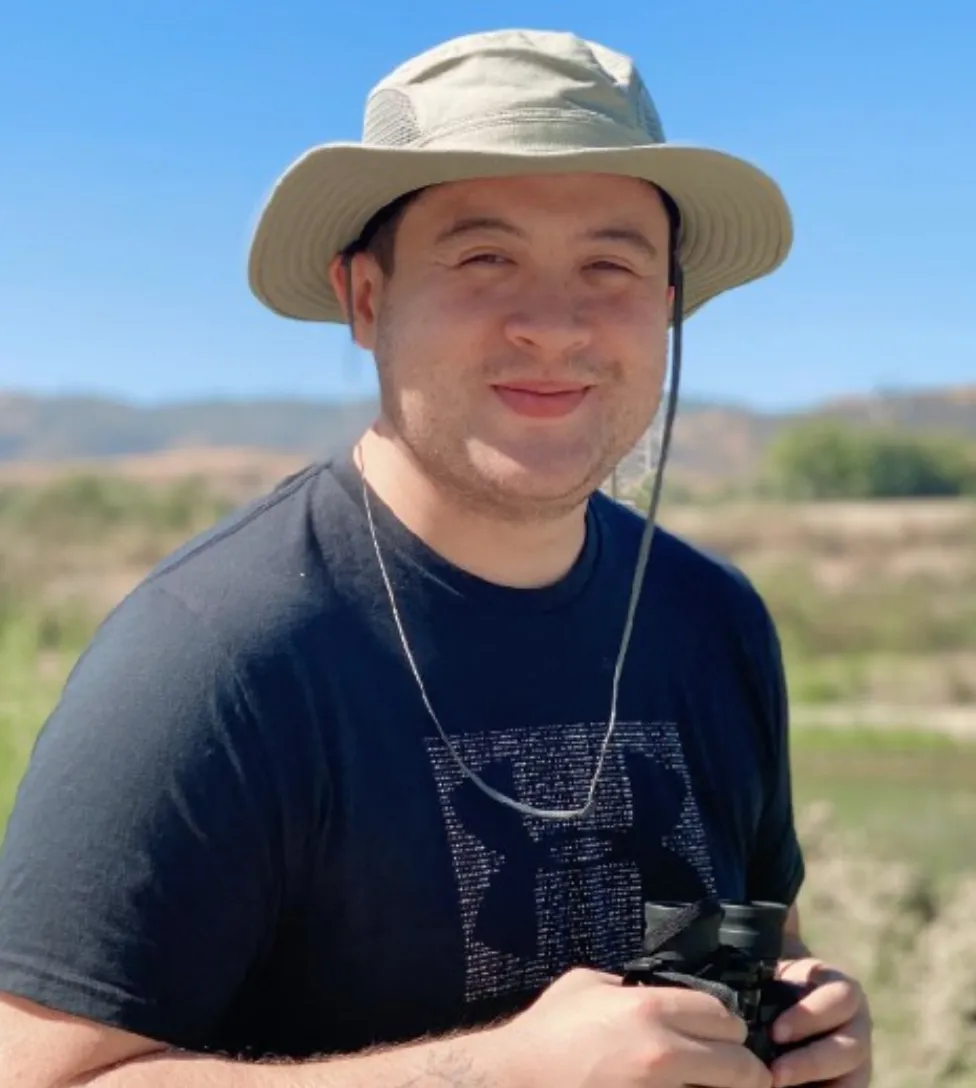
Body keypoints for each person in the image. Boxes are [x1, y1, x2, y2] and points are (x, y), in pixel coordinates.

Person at [0, 27, 872, 1088]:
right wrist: (500, 1072)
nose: (553, 324)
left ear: (670, 305)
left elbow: (769, 934)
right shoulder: (219, 655)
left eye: (611, 263)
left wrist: (801, 1014)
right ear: (366, 299)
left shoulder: (713, 618)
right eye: (484, 257)